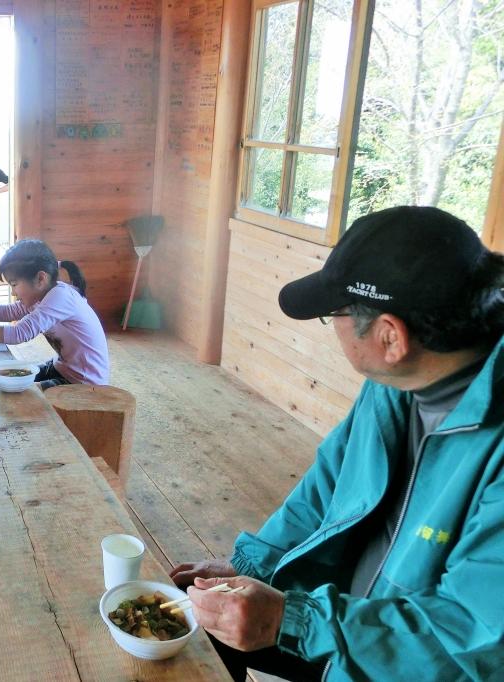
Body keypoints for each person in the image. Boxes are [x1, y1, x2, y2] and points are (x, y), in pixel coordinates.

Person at [170, 206, 504, 681]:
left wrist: (295, 622)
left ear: (391, 336)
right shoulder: (395, 383)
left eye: (336, 314)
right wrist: (251, 567)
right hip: (345, 616)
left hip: (410, 660)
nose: (334, 326)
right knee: (193, 624)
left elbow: (473, 640)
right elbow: (326, 484)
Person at [0, 239, 109, 389]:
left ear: (40, 278)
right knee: (9, 380)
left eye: (14, 284)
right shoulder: (41, 293)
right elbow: (7, 312)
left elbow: (18, 333)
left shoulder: (60, 297)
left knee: (23, 396)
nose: (14, 292)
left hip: (84, 383)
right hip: (63, 368)